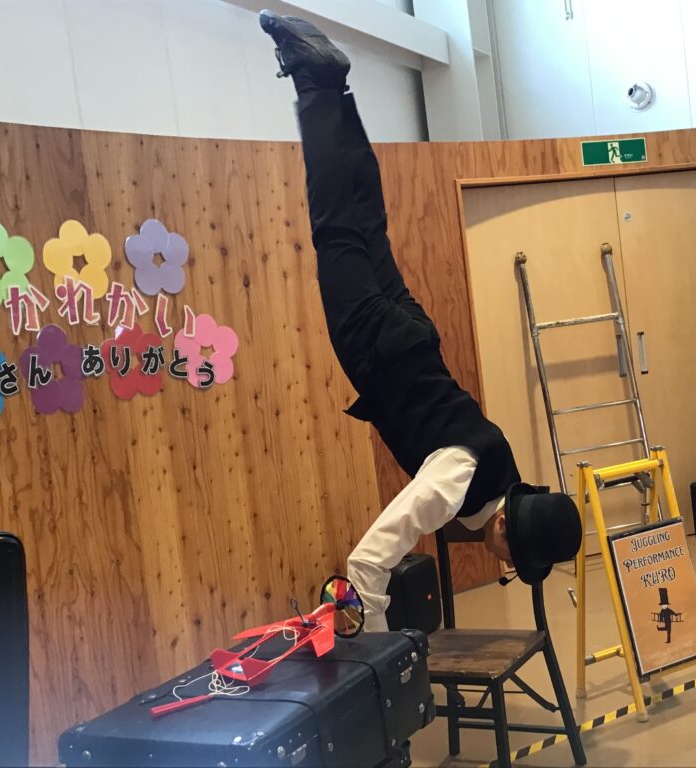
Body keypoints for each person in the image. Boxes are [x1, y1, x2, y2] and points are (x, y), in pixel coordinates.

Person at [259, 12, 581, 631]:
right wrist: (383, 653)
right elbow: (368, 559)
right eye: (515, 558)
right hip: (377, 348)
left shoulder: (502, 468)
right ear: (506, 527)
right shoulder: (458, 481)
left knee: (365, 223)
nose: (508, 566)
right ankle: (314, 83)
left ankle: (339, 92)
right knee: (334, 226)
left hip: (415, 336)